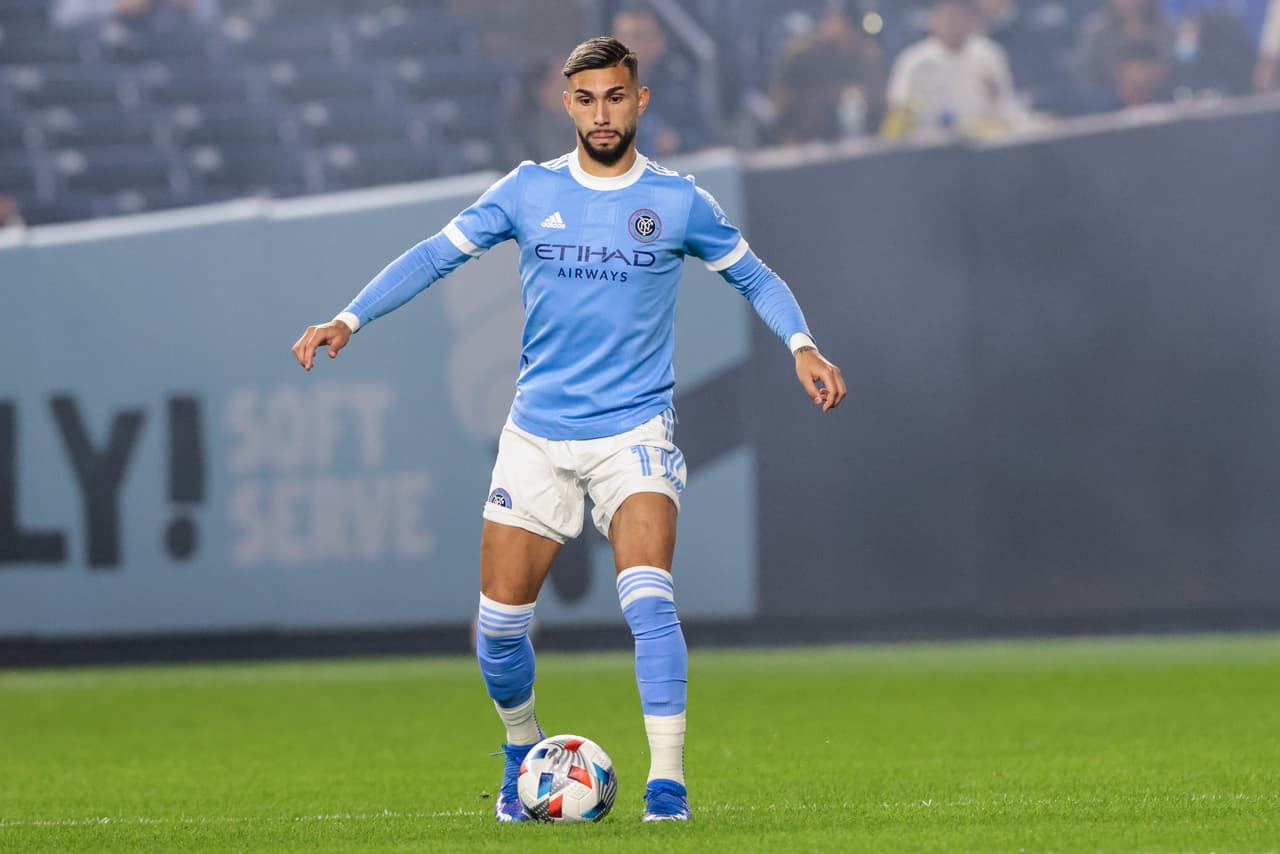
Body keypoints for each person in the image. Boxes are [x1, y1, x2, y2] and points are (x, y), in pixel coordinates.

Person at [290, 37, 845, 823]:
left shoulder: (679, 201)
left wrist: (802, 344)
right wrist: (349, 318)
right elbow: (434, 255)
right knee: (499, 629)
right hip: (538, 435)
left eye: (616, 97)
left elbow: (754, 273)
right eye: (586, 99)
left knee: (649, 599)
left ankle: (668, 787)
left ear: (640, 100)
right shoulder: (528, 190)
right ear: (568, 104)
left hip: (635, 430)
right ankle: (523, 748)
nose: (602, 113)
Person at [881, 0, 1026, 141]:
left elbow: (1008, 107)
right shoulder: (914, 61)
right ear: (933, 19)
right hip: (928, 149)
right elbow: (898, 114)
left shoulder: (989, 55)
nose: (953, 24)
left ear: (973, 21)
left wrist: (997, 97)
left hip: (981, 148)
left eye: (961, 17)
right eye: (948, 17)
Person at [770, 1, 887, 143]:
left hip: (860, 141)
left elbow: (881, 103)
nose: (854, 36)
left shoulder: (868, 54)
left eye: (859, 31)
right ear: (832, 20)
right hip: (804, 143)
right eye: (849, 28)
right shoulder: (802, 55)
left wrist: (865, 97)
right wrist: (829, 96)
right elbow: (782, 111)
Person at [1075, 0, 1176, 110]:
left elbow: (1177, 76)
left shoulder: (1168, 30)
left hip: (1163, 109)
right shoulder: (1096, 34)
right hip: (1109, 114)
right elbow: (1086, 84)